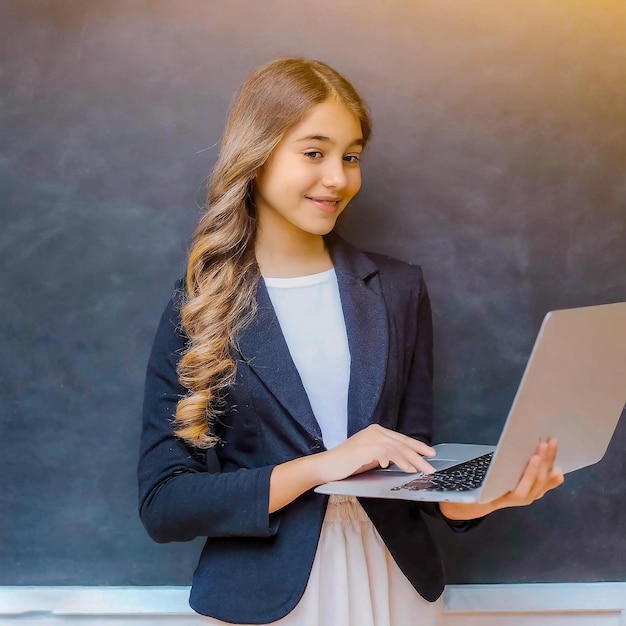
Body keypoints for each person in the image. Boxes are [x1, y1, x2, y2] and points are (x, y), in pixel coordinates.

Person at [137, 58, 564, 626]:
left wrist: (483, 499)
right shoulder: (198, 306)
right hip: (265, 600)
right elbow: (166, 504)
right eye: (314, 152)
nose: (338, 178)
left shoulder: (397, 289)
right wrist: (325, 466)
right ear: (257, 155)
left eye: (351, 156)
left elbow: (410, 466)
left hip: (396, 585)